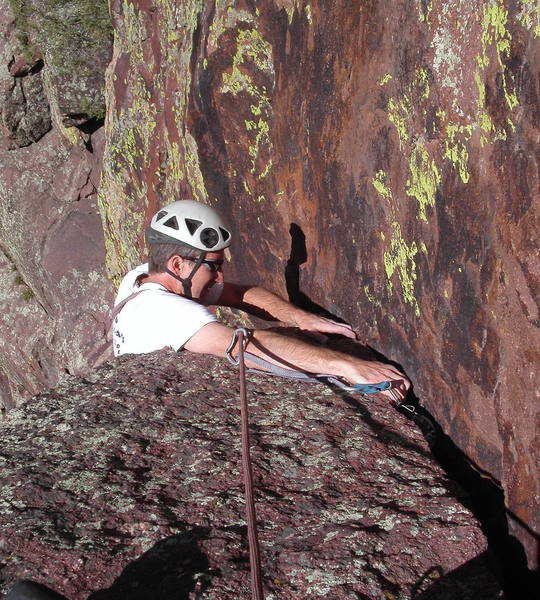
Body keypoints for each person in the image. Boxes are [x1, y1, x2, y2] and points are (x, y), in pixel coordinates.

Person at [112, 200, 410, 401]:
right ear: (177, 265)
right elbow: (245, 346)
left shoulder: (141, 278)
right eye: (213, 266)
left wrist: (299, 317)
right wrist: (347, 366)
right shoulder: (162, 312)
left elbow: (238, 294)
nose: (219, 277)